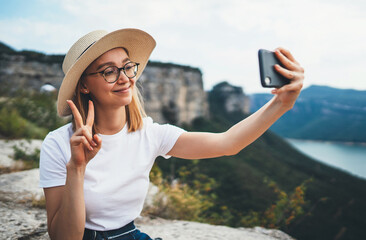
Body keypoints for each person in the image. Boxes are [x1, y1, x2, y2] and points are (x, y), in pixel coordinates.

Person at [39, 28, 304, 240]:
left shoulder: (150, 134)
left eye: (127, 66)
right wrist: (77, 168)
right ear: (84, 85)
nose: (124, 78)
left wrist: (282, 103)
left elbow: (227, 143)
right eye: (109, 71)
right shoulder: (58, 144)